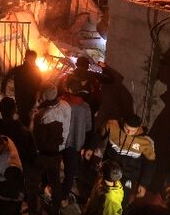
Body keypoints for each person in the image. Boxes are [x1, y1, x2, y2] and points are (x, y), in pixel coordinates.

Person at [86, 114, 156, 207]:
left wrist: (143, 184)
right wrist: (91, 148)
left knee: (122, 201)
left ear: (139, 127)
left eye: (133, 130)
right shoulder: (111, 125)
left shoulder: (146, 142)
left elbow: (150, 163)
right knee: (99, 195)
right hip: (109, 170)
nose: (129, 132)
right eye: (127, 128)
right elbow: (99, 135)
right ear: (123, 122)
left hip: (128, 175)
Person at [29, 83, 72, 213]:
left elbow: (34, 135)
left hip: (43, 153)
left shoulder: (43, 115)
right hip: (59, 150)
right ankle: (55, 208)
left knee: (33, 180)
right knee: (55, 180)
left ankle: (33, 208)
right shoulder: (66, 105)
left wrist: (32, 117)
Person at [62, 77, 93, 210]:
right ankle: (63, 198)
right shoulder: (85, 107)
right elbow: (88, 127)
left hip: (60, 141)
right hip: (75, 144)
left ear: (68, 89)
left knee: (53, 166)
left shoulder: (62, 103)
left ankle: (49, 187)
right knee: (70, 172)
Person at [0, 49, 42, 125]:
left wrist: (38, 96)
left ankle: (25, 129)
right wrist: (3, 91)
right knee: (22, 116)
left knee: (29, 117)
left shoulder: (36, 70)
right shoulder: (19, 69)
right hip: (20, 98)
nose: (32, 61)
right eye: (30, 59)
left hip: (32, 98)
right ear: (26, 58)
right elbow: (6, 78)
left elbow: (40, 83)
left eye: (34, 59)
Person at [0, 96, 37, 170]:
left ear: (0, 109)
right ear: (14, 110)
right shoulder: (21, 130)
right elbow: (32, 152)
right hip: (18, 168)